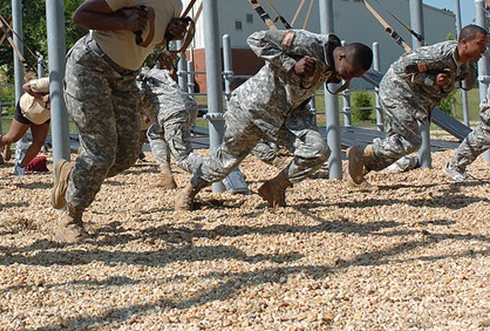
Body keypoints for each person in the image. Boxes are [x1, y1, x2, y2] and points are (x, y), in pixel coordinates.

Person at [52, 0, 191, 243]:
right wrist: (125, 23)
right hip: (91, 66)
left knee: (127, 154)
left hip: (127, 76)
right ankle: (70, 218)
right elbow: (81, 16)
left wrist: (168, 33)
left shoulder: (174, 3)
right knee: (101, 150)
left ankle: (72, 175)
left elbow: (147, 39)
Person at [175, 29, 373, 211]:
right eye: (348, 73)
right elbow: (256, 39)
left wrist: (336, 77)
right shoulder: (306, 42)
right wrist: (291, 64)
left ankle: (275, 188)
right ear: (341, 56)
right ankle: (190, 190)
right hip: (253, 108)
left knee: (318, 151)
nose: (346, 78)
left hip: (290, 115)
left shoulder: (334, 65)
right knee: (227, 160)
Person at [348, 24, 488, 187]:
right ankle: (363, 153)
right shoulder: (439, 54)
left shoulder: (462, 62)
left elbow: (467, 85)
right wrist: (431, 80)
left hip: (412, 100)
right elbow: (404, 68)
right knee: (410, 141)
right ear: (464, 43)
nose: (484, 49)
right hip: (398, 91)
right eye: (480, 44)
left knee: (397, 146)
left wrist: (466, 72)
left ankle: (357, 173)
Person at [137, 60, 204, 189]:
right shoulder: (155, 72)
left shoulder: (136, 78)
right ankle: (165, 175)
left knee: (183, 158)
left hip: (172, 113)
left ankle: (225, 172)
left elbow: (136, 96)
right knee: (155, 133)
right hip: (188, 106)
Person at [0, 75, 51, 175]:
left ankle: (20, 167)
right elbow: (26, 86)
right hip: (26, 111)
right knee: (12, 137)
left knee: (38, 143)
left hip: (43, 116)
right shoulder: (47, 82)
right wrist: (42, 97)